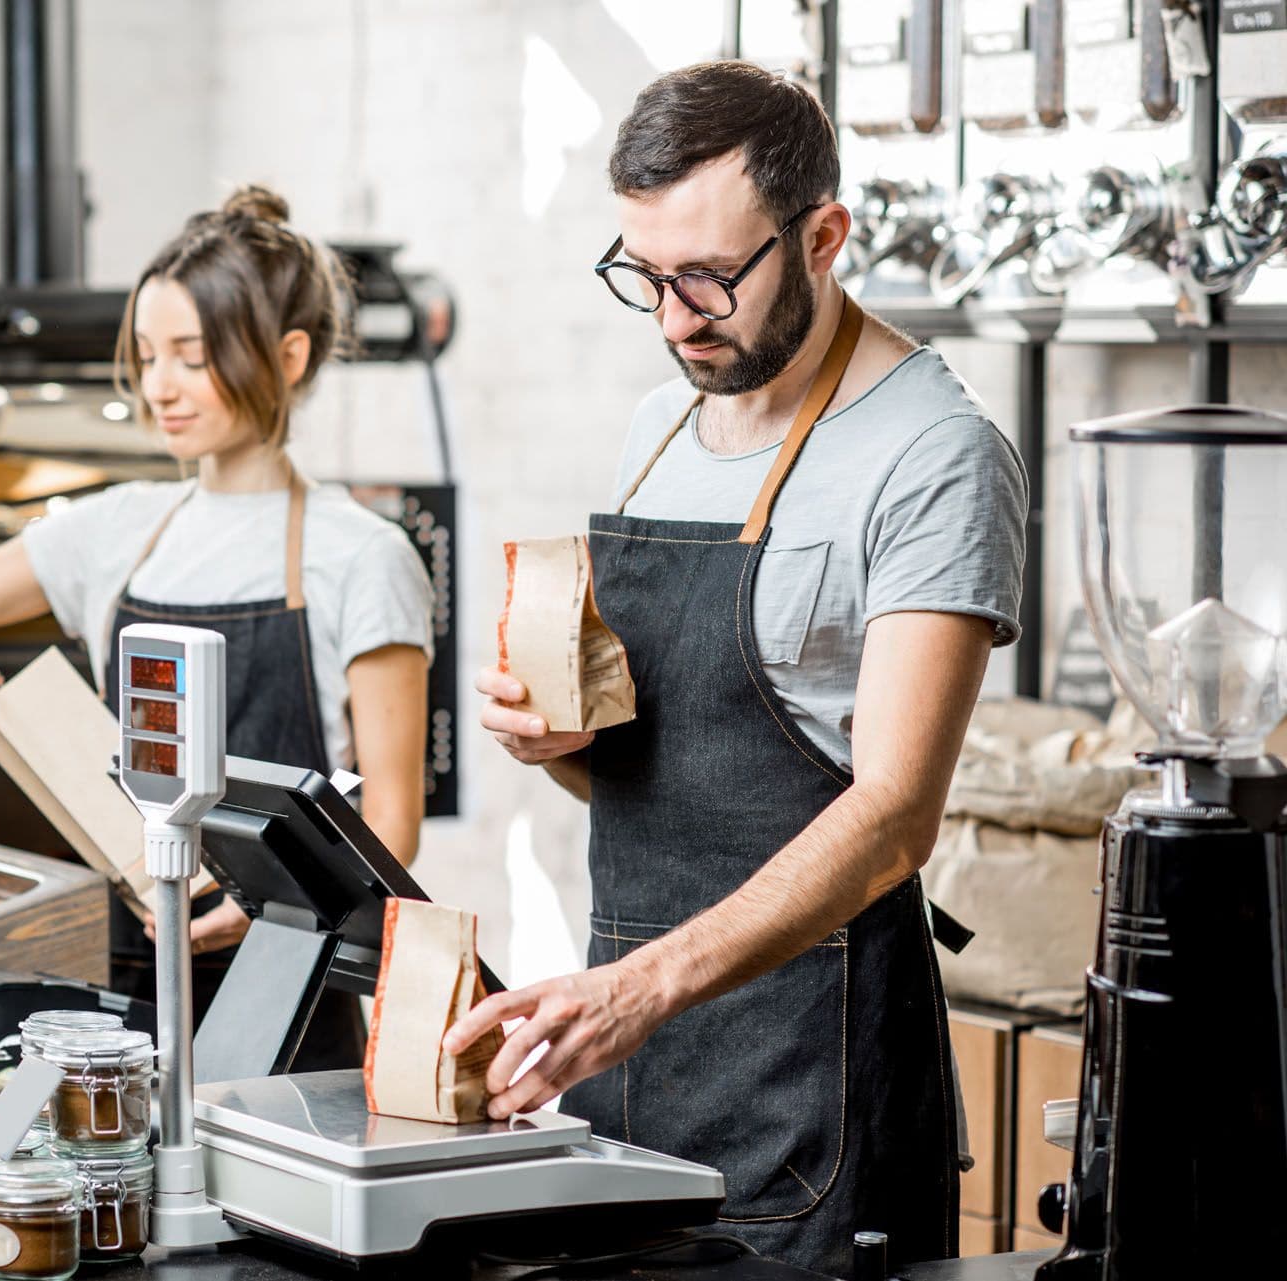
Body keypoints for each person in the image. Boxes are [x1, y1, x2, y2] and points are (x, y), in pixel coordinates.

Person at [449, 62, 1025, 1272]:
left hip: (811, 1083)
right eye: (645, 278)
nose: (675, 317)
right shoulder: (657, 430)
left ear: (823, 236)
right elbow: (664, 788)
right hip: (635, 1060)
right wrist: (564, 745)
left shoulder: (934, 452)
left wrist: (638, 992)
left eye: (709, 276)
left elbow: (892, 817)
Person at [0, 184, 434, 1069]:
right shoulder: (115, 531)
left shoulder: (361, 557)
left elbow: (392, 833)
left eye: (192, 354)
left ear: (288, 357)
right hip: (116, 998)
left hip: (290, 1004)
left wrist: (270, 905)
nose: (159, 386)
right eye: (147, 354)